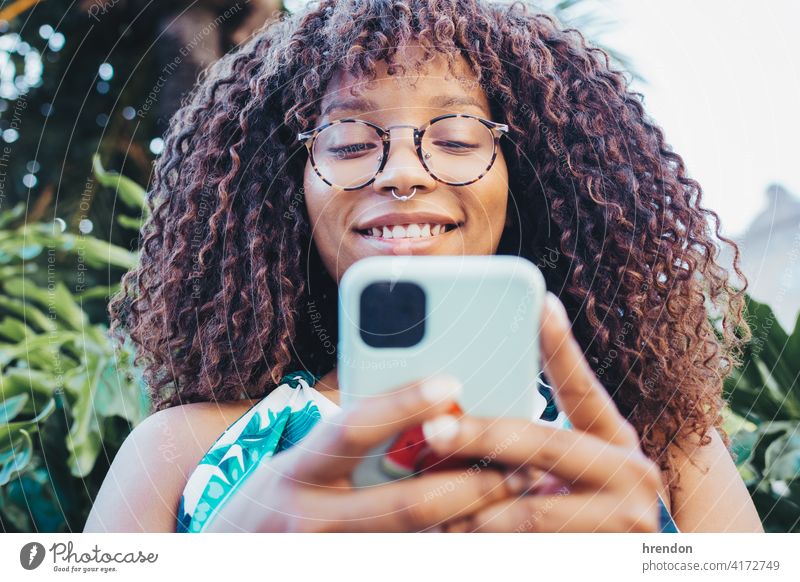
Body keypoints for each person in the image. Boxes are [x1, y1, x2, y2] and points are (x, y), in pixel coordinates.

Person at [84, 0, 763, 533]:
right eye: (348, 144)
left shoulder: (664, 451)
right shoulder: (175, 453)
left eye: (457, 137)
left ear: (520, 178)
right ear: (290, 193)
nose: (403, 172)